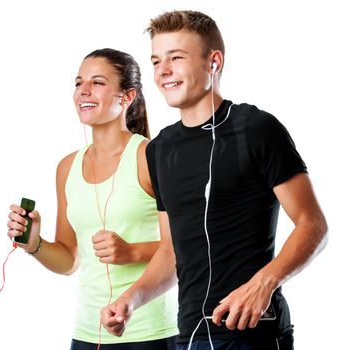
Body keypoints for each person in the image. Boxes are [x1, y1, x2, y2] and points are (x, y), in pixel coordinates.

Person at [100, 10, 328, 350]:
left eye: (176, 58)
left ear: (213, 62)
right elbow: (171, 250)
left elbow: (313, 225)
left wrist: (264, 283)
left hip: (254, 334)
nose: (163, 71)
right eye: (156, 61)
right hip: (190, 335)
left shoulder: (256, 129)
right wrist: (131, 300)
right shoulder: (159, 149)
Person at [6, 48, 178, 350]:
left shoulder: (151, 157)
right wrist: (34, 244)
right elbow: (71, 259)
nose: (83, 91)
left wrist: (132, 251)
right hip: (87, 334)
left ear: (127, 97)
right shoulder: (66, 168)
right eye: (78, 82)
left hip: (150, 333)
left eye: (97, 83)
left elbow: (185, 248)